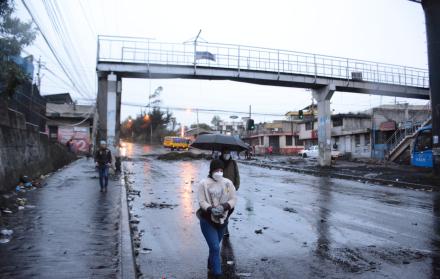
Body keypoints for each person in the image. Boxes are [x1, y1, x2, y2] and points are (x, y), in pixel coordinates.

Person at [197, 159, 237, 278]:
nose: (219, 172)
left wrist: (225, 206)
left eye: (221, 170)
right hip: (207, 220)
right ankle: (217, 274)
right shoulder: (203, 183)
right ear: (211, 170)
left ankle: (210, 263)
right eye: (216, 170)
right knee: (215, 247)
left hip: (222, 221)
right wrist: (210, 209)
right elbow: (201, 201)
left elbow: (233, 199)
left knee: (214, 247)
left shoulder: (228, 183)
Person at [220, 149, 240, 237]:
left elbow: (237, 175)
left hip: (231, 189)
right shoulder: (218, 162)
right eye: (225, 153)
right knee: (224, 209)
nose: (226, 155)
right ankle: (224, 228)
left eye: (228, 153)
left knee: (230, 209)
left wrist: (236, 186)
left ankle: (224, 224)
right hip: (220, 190)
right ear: (222, 153)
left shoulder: (233, 163)